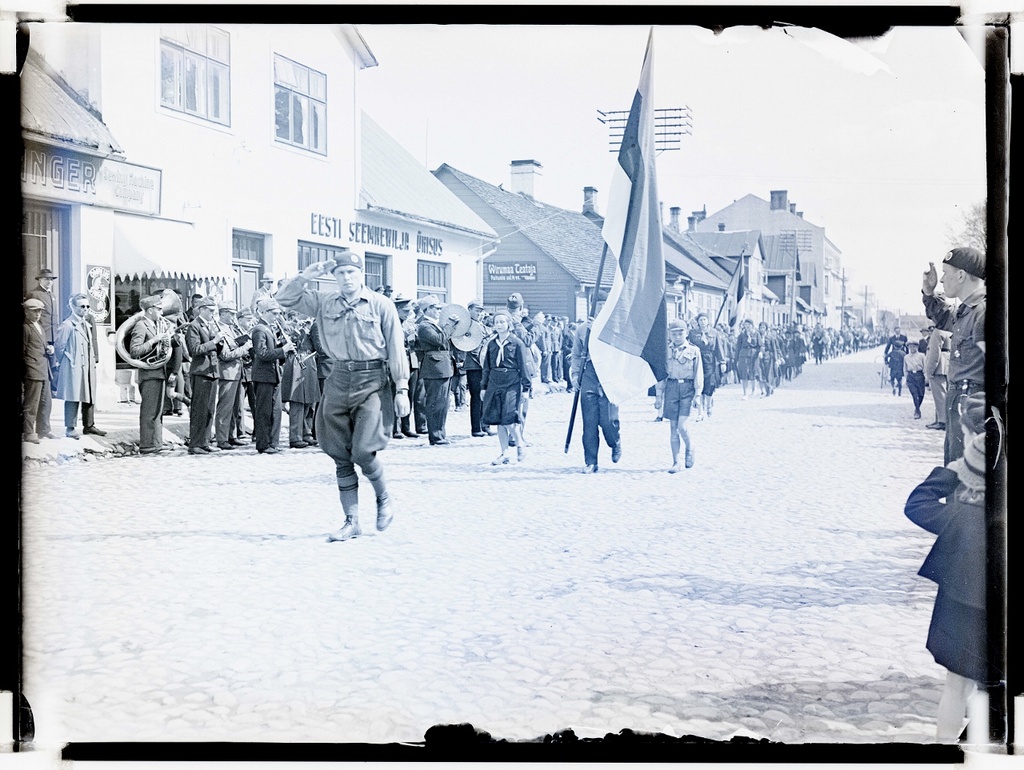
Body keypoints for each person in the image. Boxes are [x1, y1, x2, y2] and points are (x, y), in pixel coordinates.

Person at [276, 251, 410, 542]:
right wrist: (306, 275)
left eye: (351, 273)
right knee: (339, 453)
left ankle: (383, 497)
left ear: (361, 275)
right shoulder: (325, 302)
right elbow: (284, 299)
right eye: (340, 274)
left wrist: (402, 388)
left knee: (363, 449)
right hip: (338, 379)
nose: (346, 279)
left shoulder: (381, 304)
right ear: (334, 277)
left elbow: (397, 347)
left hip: (372, 379)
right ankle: (352, 521)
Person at [904, 393, 994, 741]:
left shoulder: (959, 517)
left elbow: (916, 504)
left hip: (959, 608)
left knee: (955, 686)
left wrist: (955, 471)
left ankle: (946, 752)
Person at [922, 247, 986, 464]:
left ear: (961, 275)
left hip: (973, 406)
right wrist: (928, 293)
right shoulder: (966, 310)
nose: (942, 280)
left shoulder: (984, 312)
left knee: (966, 480)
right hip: (958, 402)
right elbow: (941, 317)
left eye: (945, 273)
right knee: (953, 470)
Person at [569, 292, 621, 474]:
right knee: (589, 422)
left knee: (607, 420)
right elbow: (576, 354)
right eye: (597, 305)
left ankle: (615, 442)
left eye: (603, 305)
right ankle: (591, 461)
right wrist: (575, 375)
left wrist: (598, 329)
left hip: (608, 373)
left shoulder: (614, 326)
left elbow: (616, 351)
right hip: (589, 374)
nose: (600, 308)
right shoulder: (582, 329)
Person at [480, 310, 532, 465]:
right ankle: (504, 453)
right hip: (494, 383)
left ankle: (519, 443)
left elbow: (523, 367)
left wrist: (526, 389)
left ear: (509, 324)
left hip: (511, 383)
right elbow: (486, 367)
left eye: (502, 322)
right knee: (497, 420)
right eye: (496, 322)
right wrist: (483, 386)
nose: (499, 325)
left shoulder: (517, 343)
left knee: (508, 418)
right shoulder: (491, 344)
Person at [54, 293, 106, 439]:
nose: (85, 309)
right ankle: (70, 427)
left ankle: (89, 425)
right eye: (82, 306)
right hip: (74, 364)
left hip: (87, 365)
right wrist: (68, 362)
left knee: (89, 393)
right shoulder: (67, 325)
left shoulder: (86, 323)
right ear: (73, 307)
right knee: (73, 396)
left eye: (87, 306)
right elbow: (59, 347)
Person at [656, 319, 704, 472]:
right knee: (672, 428)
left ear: (687, 333)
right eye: (674, 333)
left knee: (682, 426)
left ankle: (690, 447)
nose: (677, 336)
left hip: (687, 389)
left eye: (680, 333)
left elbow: (698, 373)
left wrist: (697, 394)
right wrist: (659, 396)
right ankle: (676, 462)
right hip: (671, 388)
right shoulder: (665, 351)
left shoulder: (694, 351)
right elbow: (661, 375)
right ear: (669, 334)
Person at [129, 294, 176, 454]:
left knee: (157, 411)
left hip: (159, 372)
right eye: (158, 309)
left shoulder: (156, 324)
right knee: (149, 412)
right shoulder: (141, 325)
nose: (161, 313)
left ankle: (156, 443)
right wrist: (154, 340)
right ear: (149, 310)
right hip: (149, 374)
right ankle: (148, 445)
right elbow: (134, 351)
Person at [249, 298, 295, 454]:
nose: (277, 317)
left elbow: (273, 354)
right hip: (263, 376)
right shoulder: (259, 329)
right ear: (265, 312)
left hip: (272, 375)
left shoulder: (269, 328)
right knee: (264, 412)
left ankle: (272, 442)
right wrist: (282, 350)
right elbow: (261, 353)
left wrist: (283, 348)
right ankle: (263, 444)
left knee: (274, 411)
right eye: (274, 313)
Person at [415, 294, 461, 446]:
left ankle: (440, 434)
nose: (439, 310)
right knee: (435, 403)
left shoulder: (435, 325)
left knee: (443, 403)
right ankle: (435, 435)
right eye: (436, 308)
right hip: (435, 368)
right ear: (427, 310)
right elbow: (440, 340)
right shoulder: (424, 326)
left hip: (443, 367)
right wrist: (449, 325)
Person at [184, 297, 224, 455]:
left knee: (209, 410)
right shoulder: (194, 326)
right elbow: (195, 350)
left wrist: (219, 344)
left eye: (214, 311)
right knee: (199, 410)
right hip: (201, 372)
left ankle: (205, 441)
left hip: (212, 371)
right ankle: (195, 444)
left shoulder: (209, 325)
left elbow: (214, 350)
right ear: (201, 309)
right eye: (210, 311)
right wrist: (215, 341)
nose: (213, 314)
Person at [213, 304, 253, 450]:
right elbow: (225, 355)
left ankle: (231, 435)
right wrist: (245, 348)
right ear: (223, 313)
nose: (233, 317)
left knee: (234, 408)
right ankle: (222, 438)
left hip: (235, 372)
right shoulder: (219, 328)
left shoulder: (230, 328)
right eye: (230, 314)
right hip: (227, 373)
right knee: (225, 408)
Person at [22, 298, 52, 443]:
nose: (38, 314)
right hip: (33, 370)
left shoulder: (39, 326)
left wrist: (49, 349)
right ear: (26, 312)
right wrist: (27, 369)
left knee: (46, 402)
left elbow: (41, 345)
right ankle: (28, 432)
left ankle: (44, 430)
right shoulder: (26, 328)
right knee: (31, 403)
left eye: (39, 311)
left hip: (43, 368)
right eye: (34, 311)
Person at [688, 312, 727, 420]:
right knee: (698, 385)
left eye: (704, 319)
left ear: (708, 321)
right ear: (698, 322)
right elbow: (688, 346)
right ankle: (700, 411)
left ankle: (709, 405)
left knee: (709, 385)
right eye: (700, 320)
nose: (703, 322)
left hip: (709, 361)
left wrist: (722, 362)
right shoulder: (692, 333)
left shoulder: (714, 333)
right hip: (696, 360)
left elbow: (719, 348)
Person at [26, 268, 60, 389]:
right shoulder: (34, 294)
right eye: (46, 279)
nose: (49, 282)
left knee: (53, 362)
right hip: (41, 333)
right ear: (40, 280)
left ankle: (52, 389)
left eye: (51, 279)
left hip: (52, 335)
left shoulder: (53, 295)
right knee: (41, 361)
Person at [464, 299, 490, 437]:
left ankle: (485, 424)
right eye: (477, 310)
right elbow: (465, 345)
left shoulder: (482, 326)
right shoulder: (466, 325)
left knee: (485, 395)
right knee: (476, 396)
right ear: (469, 310)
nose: (479, 313)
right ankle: (476, 428)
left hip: (485, 365)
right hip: (474, 365)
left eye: (481, 311)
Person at [925, 327, 952, 431]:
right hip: (948, 364)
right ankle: (940, 419)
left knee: (939, 396)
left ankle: (942, 421)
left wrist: (929, 371)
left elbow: (934, 355)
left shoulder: (938, 332)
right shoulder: (951, 330)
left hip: (939, 366)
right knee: (945, 394)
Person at [734, 319, 760, 400]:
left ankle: (753, 389)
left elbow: (760, 345)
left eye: (749, 325)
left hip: (753, 355)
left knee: (753, 372)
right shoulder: (741, 335)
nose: (747, 326)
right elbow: (738, 347)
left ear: (752, 325)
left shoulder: (756, 334)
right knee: (744, 374)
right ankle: (745, 393)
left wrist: (759, 353)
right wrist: (736, 359)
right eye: (746, 325)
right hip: (743, 355)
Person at [904, 339, 928, 420]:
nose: (912, 348)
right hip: (911, 376)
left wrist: (926, 377)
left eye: (914, 347)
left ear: (917, 347)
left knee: (921, 395)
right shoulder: (906, 357)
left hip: (920, 375)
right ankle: (917, 411)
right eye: (910, 347)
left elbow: (925, 366)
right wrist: (906, 379)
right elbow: (905, 369)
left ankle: (917, 408)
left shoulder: (921, 356)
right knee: (914, 394)